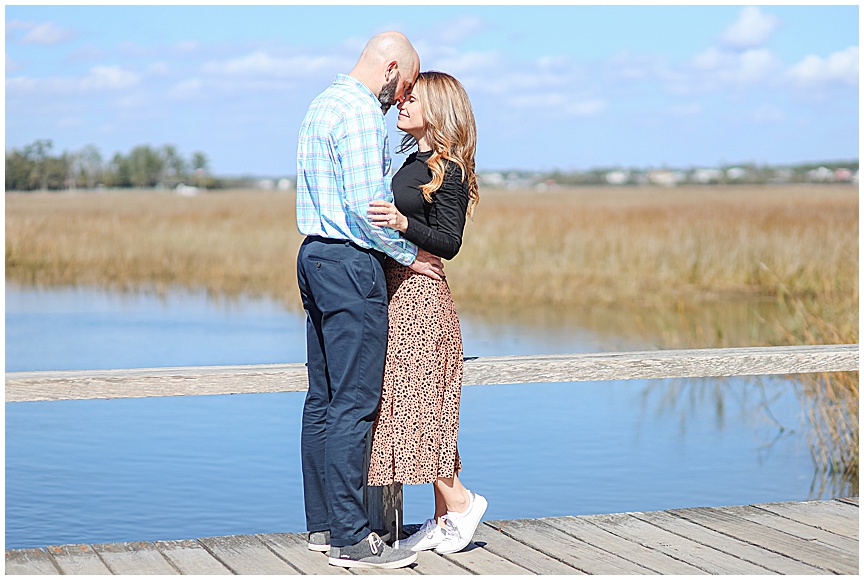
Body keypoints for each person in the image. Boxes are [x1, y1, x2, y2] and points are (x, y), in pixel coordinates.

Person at [295, 31, 445, 570]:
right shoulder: (358, 112)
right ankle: (353, 539)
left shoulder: (322, 103)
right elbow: (366, 208)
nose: (399, 98)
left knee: (323, 398)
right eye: (403, 84)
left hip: (312, 254)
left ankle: (322, 525)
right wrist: (411, 254)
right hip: (349, 263)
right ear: (389, 66)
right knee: (355, 403)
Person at [366, 71, 486, 555]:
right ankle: (442, 518)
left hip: (422, 301)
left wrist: (400, 221)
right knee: (421, 409)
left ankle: (460, 502)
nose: (401, 103)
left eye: (410, 98)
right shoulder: (414, 161)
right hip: (401, 293)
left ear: (437, 108)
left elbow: (449, 243)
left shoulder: (448, 167)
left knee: (419, 410)